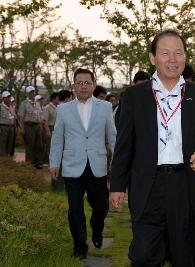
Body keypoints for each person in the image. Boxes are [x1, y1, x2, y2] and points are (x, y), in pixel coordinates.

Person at [109, 29, 195, 267]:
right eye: (165, 53)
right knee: (143, 257)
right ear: (152, 57)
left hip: (187, 186)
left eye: (178, 53)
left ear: (185, 57)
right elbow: (124, 145)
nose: (173, 59)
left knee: (185, 257)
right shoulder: (134, 96)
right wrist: (117, 185)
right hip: (148, 186)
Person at [49, 68, 117, 260]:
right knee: (75, 208)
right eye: (79, 83)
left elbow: (112, 135)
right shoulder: (63, 109)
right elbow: (57, 137)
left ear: (94, 85)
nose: (83, 86)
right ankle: (80, 246)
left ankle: (97, 230)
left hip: (97, 164)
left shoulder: (104, 107)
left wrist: (119, 162)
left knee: (101, 206)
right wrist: (54, 163)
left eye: (87, 83)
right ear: (73, 86)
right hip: (72, 165)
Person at [18, 86, 43, 169]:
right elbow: (21, 117)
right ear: (27, 93)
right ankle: (30, 163)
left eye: (33, 92)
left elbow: (39, 114)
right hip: (29, 126)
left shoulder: (37, 103)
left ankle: (38, 162)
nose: (32, 93)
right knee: (30, 145)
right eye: (30, 92)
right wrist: (22, 128)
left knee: (39, 145)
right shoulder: (24, 103)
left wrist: (40, 126)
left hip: (37, 126)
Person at [43, 92, 59, 165]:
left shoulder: (59, 107)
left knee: (55, 145)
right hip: (50, 127)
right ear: (53, 99)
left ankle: (53, 160)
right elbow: (45, 120)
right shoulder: (47, 107)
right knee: (49, 145)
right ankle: (46, 161)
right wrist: (47, 131)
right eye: (58, 98)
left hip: (57, 128)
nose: (59, 99)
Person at [0, 91, 16, 156]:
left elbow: (14, 118)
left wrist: (15, 128)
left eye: (9, 97)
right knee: (2, 144)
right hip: (3, 127)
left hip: (11, 127)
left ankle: (8, 159)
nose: (8, 99)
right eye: (7, 98)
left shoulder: (11, 107)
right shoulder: (0, 107)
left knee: (10, 144)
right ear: (3, 98)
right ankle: (3, 160)